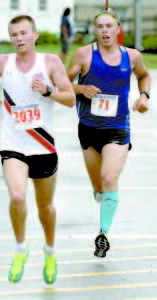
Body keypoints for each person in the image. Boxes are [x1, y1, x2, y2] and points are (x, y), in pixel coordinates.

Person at [0, 15, 75, 284]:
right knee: (18, 197)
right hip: (13, 145)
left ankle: (50, 252)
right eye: (14, 34)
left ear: (35, 35)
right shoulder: (2, 62)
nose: (19, 38)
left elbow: (69, 98)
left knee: (44, 207)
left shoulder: (51, 63)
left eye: (23, 33)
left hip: (43, 146)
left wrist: (48, 91)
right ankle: (21, 249)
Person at [67, 8, 150, 258]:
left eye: (109, 26)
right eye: (100, 26)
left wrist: (144, 95)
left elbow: (144, 75)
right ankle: (101, 194)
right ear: (96, 30)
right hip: (89, 129)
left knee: (110, 177)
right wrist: (81, 89)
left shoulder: (132, 56)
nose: (104, 30)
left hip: (118, 128)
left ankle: (102, 235)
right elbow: (61, 83)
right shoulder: (83, 55)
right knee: (99, 187)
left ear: (117, 29)